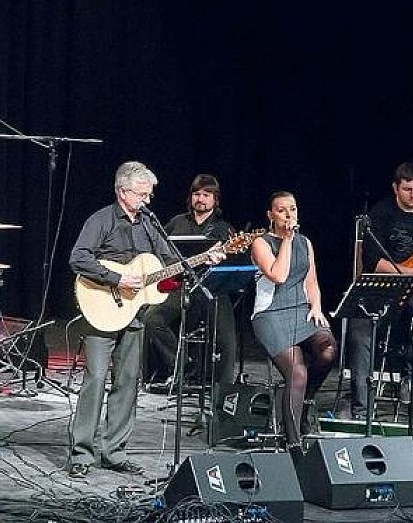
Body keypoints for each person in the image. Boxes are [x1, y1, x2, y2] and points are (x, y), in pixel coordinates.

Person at [67, 161, 223, 479]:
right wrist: (117, 279)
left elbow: (172, 264)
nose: (148, 200)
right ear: (123, 192)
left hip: (134, 313)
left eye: (149, 194)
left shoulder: (150, 224)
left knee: (128, 383)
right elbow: (78, 258)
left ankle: (114, 452)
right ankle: (81, 454)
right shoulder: (101, 220)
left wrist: (205, 260)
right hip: (101, 308)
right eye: (142, 194)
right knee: (96, 380)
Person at [348, 161, 413, 418]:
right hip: (383, 286)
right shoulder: (380, 213)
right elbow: (373, 261)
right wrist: (412, 272)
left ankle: (409, 375)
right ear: (395, 188)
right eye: (407, 189)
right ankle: (361, 407)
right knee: (360, 332)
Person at [250, 191, 336, 456]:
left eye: (293, 209)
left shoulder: (305, 242)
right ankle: (294, 443)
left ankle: (305, 399)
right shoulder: (261, 243)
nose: (289, 215)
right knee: (297, 372)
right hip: (270, 314)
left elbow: (311, 281)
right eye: (282, 210)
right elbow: (278, 275)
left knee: (328, 349)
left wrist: (316, 306)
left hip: (301, 310)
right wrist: (286, 240)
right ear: (271, 215)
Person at [143, 174, 238, 388]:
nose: (200, 199)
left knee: (227, 340)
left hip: (212, 289)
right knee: (152, 318)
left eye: (206, 194)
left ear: (215, 199)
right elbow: (157, 250)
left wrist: (220, 261)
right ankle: (183, 365)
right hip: (180, 287)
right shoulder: (176, 223)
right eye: (196, 194)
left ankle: (223, 390)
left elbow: (232, 264)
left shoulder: (224, 229)